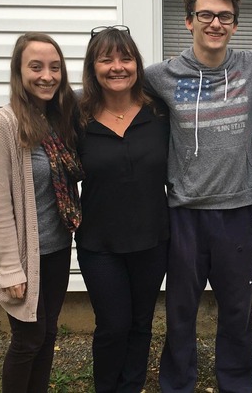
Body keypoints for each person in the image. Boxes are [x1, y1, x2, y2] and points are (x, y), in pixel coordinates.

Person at [143, 0, 252, 392]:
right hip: (184, 211)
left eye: (225, 16)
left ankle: (237, 383)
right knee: (180, 309)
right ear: (189, 21)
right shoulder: (161, 76)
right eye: (206, 14)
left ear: (235, 24)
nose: (215, 23)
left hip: (236, 210)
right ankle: (177, 383)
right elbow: (108, 94)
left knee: (237, 309)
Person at [0, 32, 83, 392]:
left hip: (56, 248)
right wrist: (10, 269)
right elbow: (0, 205)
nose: (47, 76)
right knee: (27, 340)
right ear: (19, 71)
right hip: (24, 255)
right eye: (36, 67)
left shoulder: (59, 119)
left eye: (55, 68)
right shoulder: (3, 125)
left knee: (47, 332)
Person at [74, 25, 169, 392]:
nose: (117, 67)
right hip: (99, 243)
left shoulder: (158, 114)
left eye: (125, 58)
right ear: (93, 67)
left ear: (137, 65)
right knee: (113, 325)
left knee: (141, 323)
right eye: (106, 59)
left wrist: (247, 143)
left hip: (152, 238)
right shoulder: (76, 118)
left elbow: (197, 144)